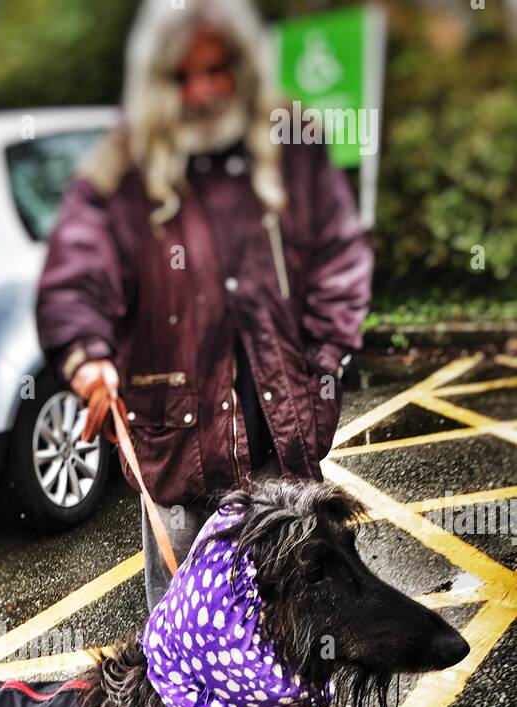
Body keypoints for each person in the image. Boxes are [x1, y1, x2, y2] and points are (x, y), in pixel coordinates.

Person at [36, 0, 374, 610]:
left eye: (218, 69)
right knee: (184, 628)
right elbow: (74, 277)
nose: (202, 90)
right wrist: (89, 355)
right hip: (175, 450)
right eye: (180, 76)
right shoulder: (124, 166)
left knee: (295, 623)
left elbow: (339, 252)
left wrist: (323, 358)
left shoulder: (288, 139)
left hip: (284, 445)